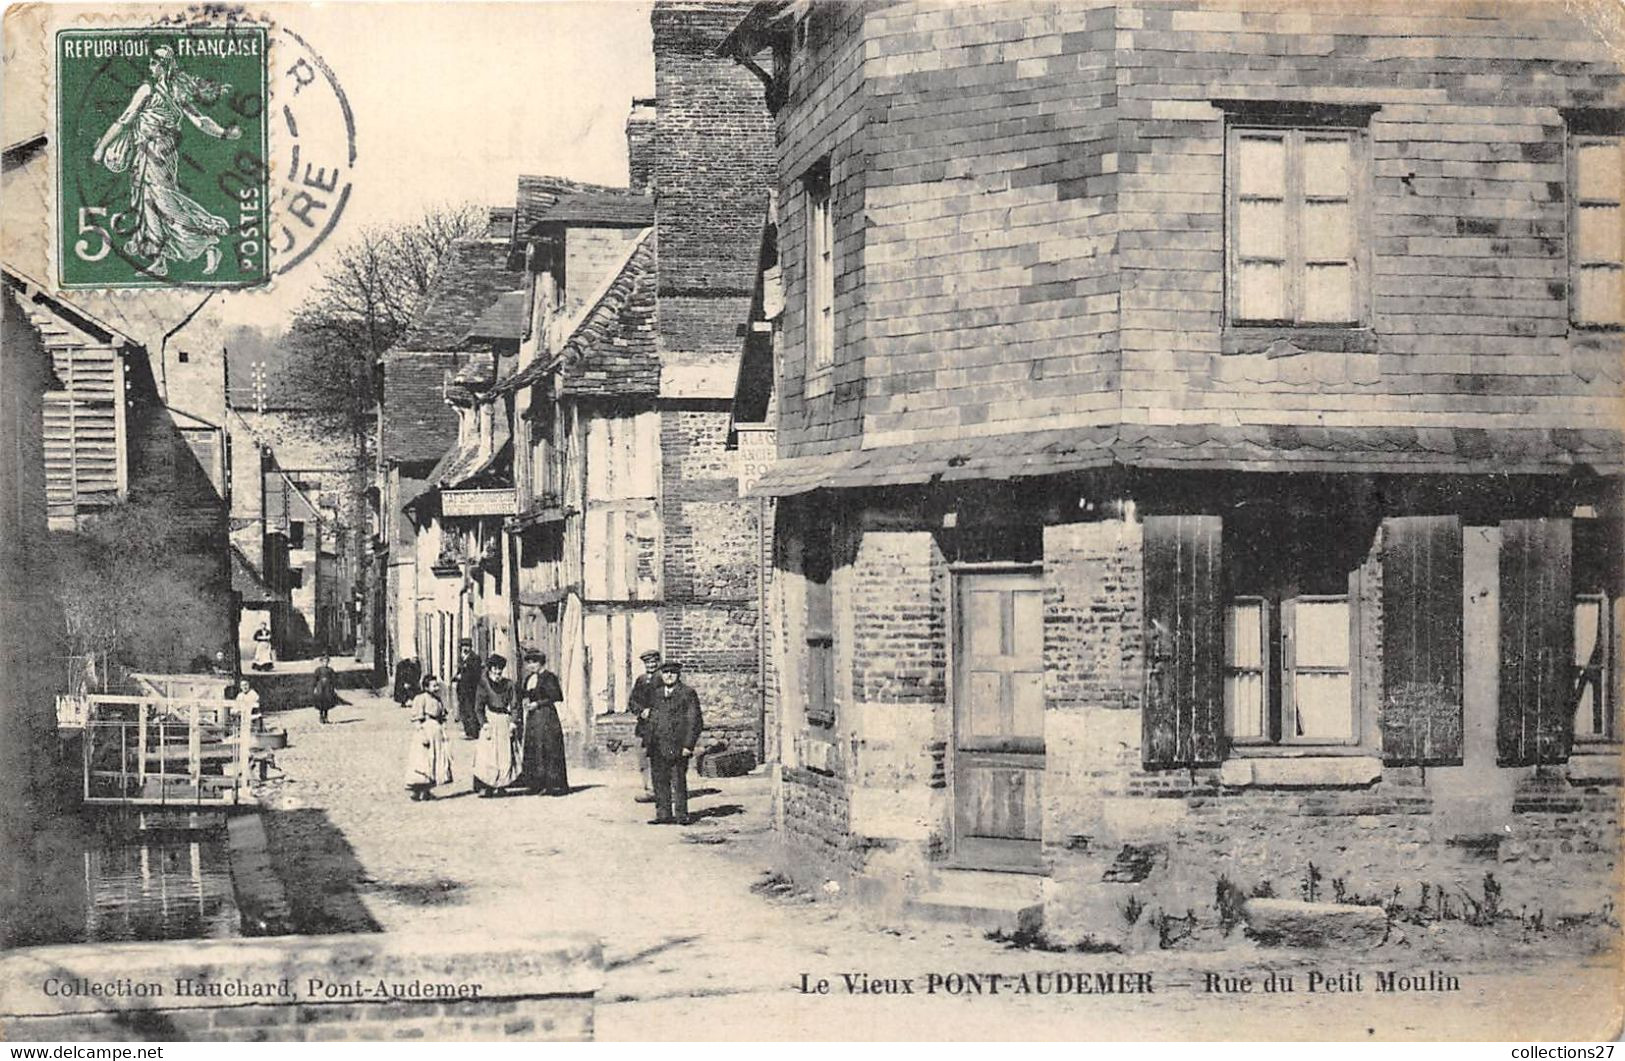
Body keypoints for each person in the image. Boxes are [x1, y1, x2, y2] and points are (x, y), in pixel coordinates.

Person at [90, 45, 240, 278]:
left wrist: (222, 133)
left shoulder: (175, 92)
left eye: (155, 62)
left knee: (165, 200)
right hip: (144, 153)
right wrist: (101, 148)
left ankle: (209, 242)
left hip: (162, 154)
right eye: (151, 62)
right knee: (146, 203)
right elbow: (125, 119)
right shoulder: (146, 90)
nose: (151, 66)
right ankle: (159, 260)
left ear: (166, 65)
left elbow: (200, 120)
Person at [640, 660, 703, 825]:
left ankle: (681, 815)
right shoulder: (657, 693)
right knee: (659, 781)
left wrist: (688, 746)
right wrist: (649, 740)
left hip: (677, 746)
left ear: (678, 674)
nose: (669, 675)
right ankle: (663, 814)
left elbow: (694, 722)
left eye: (672, 672)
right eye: (666, 672)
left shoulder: (687, 693)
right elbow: (652, 718)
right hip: (657, 746)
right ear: (661, 674)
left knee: (678, 781)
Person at [517, 649, 569, 796]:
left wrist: (538, 704)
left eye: (534, 662)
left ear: (540, 663)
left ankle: (553, 785)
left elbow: (556, 696)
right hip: (533, 718)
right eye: (529, 663)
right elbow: (525, 693)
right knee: (533, 748)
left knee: (548, 748)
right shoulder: (529, 679)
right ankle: (535, 784)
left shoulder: (549, 677)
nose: (531, 666)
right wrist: (526, 699)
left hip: (546, 716)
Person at [471, 654, 521, 797]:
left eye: (500, 671)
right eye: (495, 670)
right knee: (487, 755)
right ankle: (487, 785)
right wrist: (484, 724)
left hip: (504, 720)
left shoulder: (509, 685)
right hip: (490, 720)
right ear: (490, 670)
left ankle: (502, 784)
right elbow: (478, 708)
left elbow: (515, 705)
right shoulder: (483, 684)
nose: (498, 673)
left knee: (505, 755)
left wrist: (513, 722)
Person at [404, 674, 453, 801]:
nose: (436, 688)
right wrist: (422, 734)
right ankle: (416, 791)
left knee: (434, 760)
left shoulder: (438, 700)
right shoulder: (421, 699)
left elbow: (442, 717)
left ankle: (426, 790)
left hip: (436, 733)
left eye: (437, 685)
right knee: (423, 761)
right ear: (426, 687)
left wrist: (444, 733)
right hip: (426, 732)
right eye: (433, 686)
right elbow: (417, 720)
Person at [627, 650, 662, 804]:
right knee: (644, 759)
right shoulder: (640, 680)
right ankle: (649, 789)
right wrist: (641, 711)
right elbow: (632, 701)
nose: (651, 665)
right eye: (648, 662)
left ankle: (663, 790)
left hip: (660, 726)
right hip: (643, 726)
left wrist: (652, 711)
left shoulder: (663, 678)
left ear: (658, 662)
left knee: (660, 758)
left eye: (654, 662)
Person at [453, 639, 483, 740]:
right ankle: (467, 731)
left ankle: (473, 733)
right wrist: (457, 676)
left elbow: (475, 674)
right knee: (463, 710)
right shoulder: (462, 658)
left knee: (471, 710)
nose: (465, 648)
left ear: (471, 647)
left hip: (471, 689)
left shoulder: (475, 658)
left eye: (467, 646)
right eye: (463, 646)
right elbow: (460, 671)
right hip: (462, 689)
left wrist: (462, 676)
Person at [311, 654, 338, 724]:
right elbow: (315, 679)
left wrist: (334, 688)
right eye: (324, 662)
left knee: (327, 702)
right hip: (320, 687)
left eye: (326, 662)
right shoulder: (318, 670)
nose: (325, 663)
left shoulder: (330, 670)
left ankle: (326, 717)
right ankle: (321, 716)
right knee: (321, 702)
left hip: (328, 688)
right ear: (321, 662)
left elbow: (333, 680)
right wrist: (314, 688)